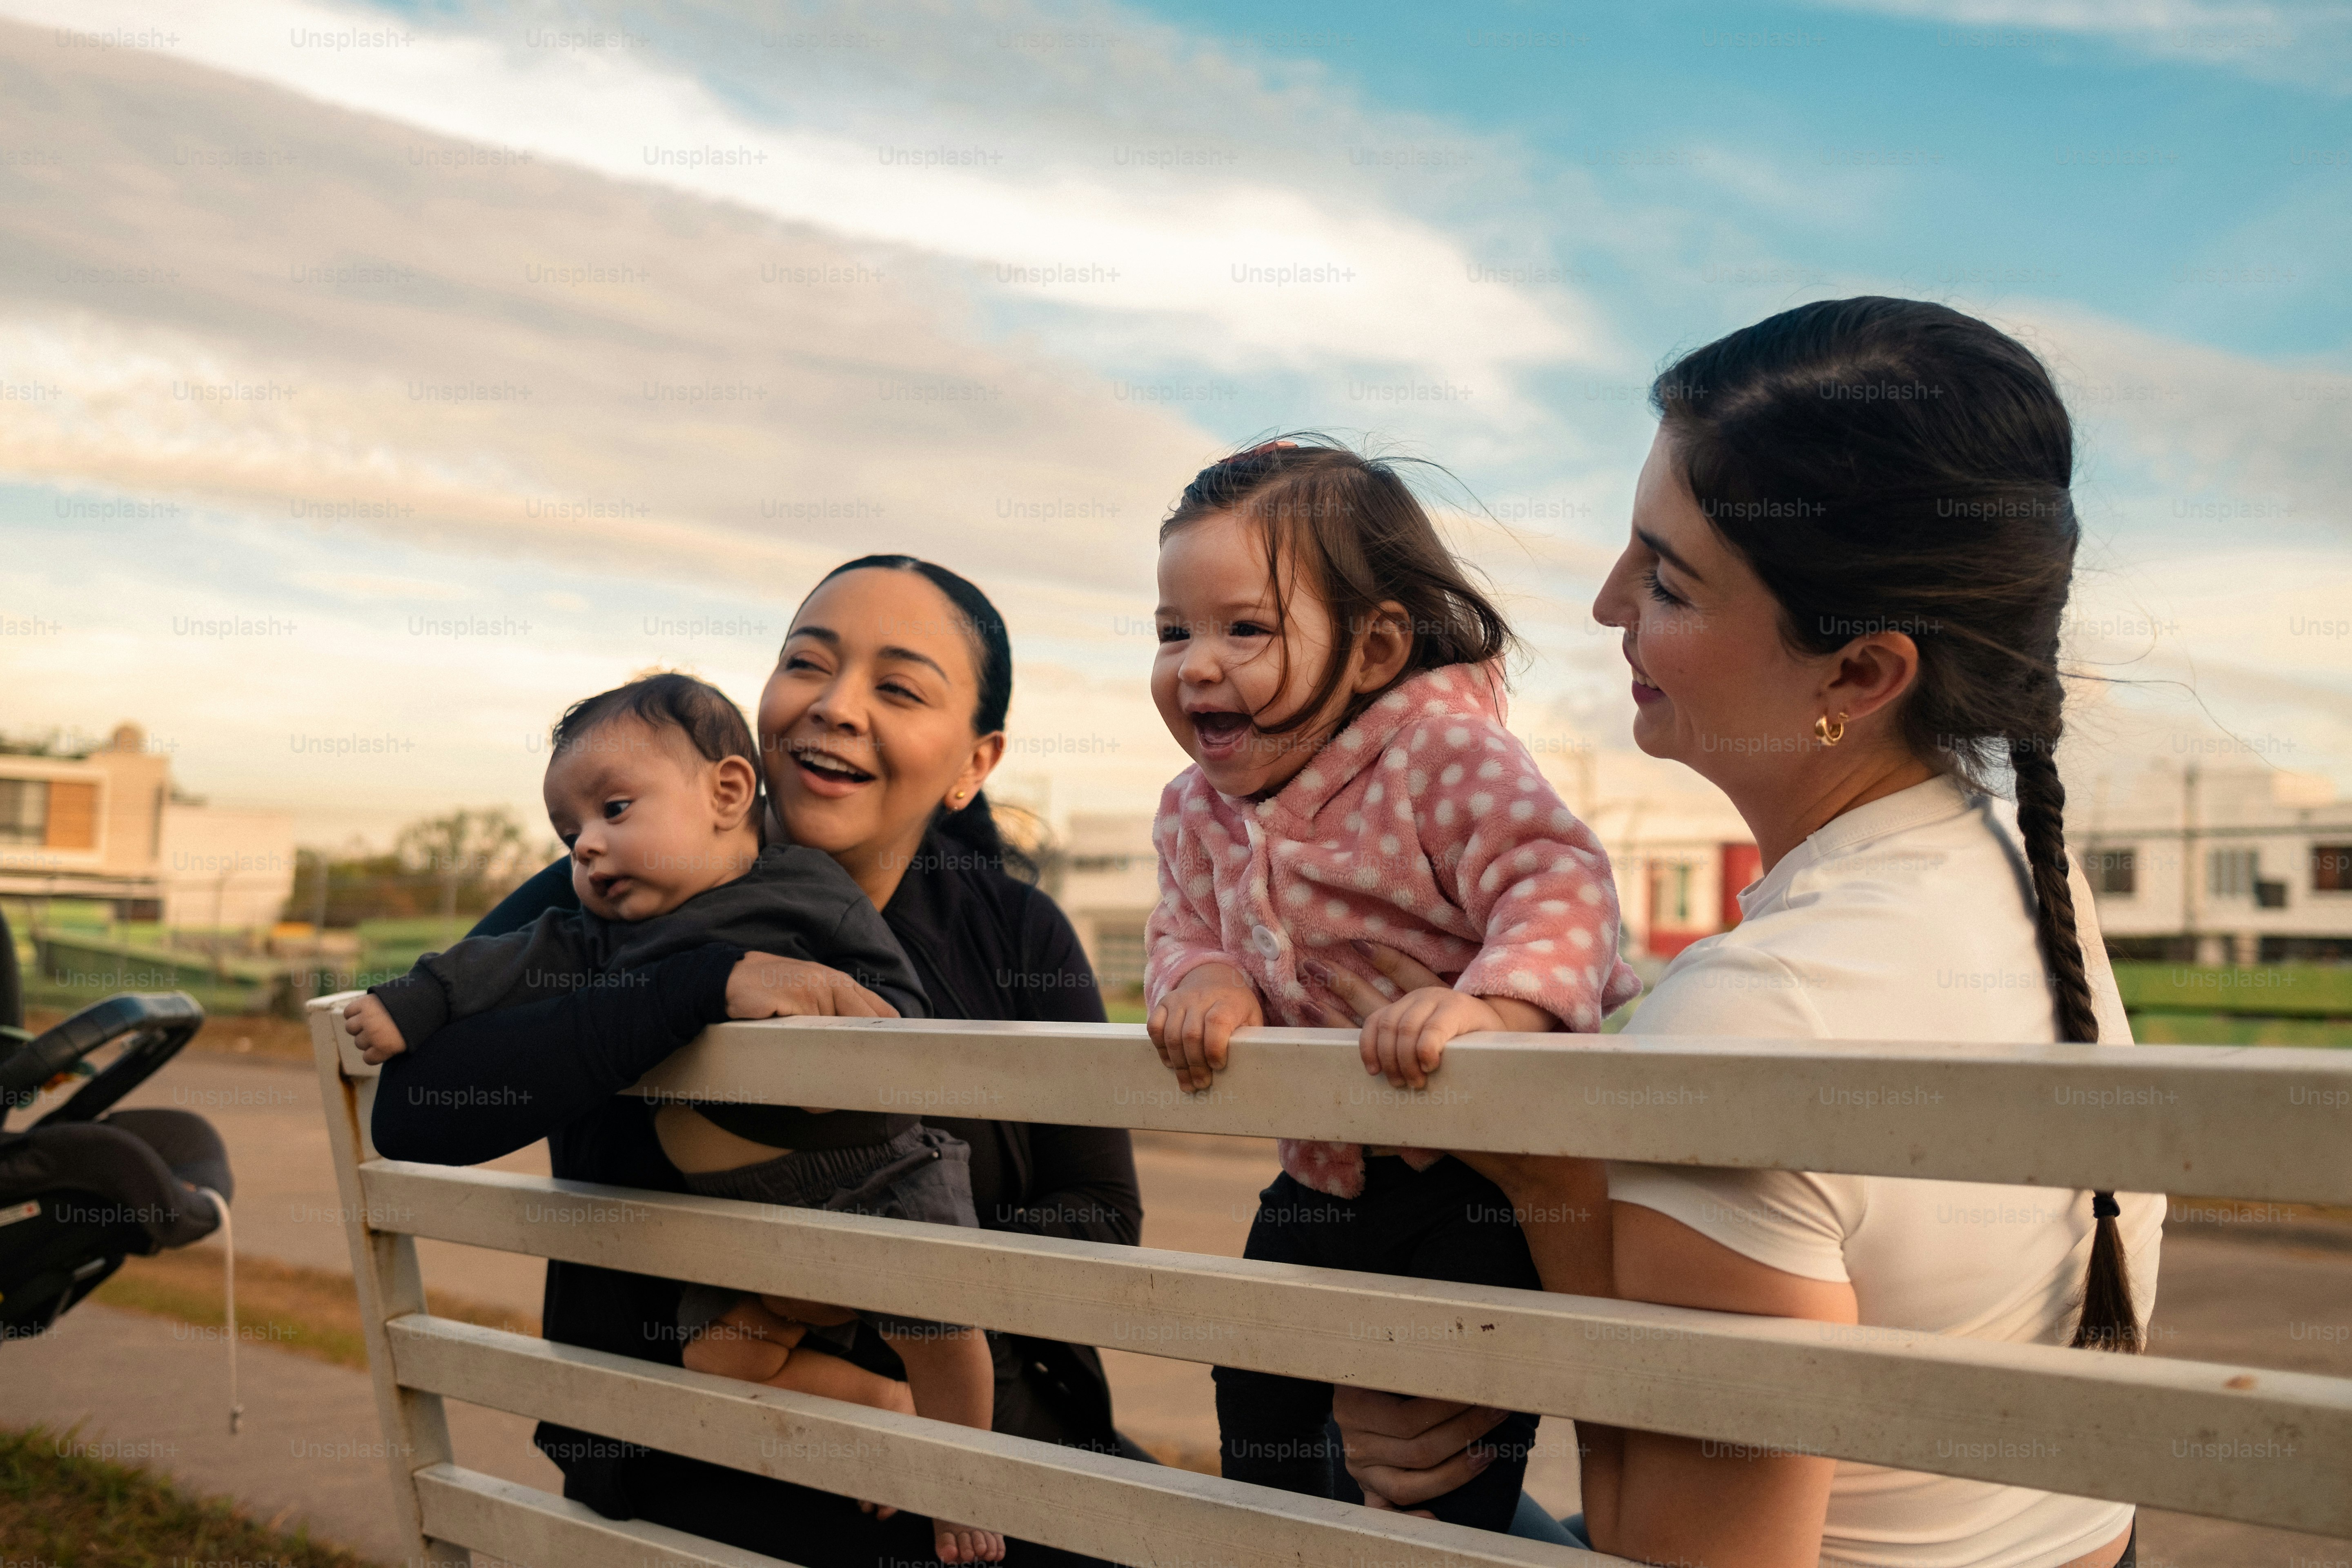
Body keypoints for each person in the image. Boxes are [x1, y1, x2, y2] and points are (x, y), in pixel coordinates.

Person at [1326, 298, 2163, 1568]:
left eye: (1667, 579)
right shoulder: (2020, 876)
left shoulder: (1758, 1014)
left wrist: (1548, 1166)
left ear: (1860, 677)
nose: (1609, 604)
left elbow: (1687, 1553)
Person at [371, 556, 1142, 1568]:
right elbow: (419, 1111)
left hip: (990, 1424)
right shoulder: (614, 883)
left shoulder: (1012, 930)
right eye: (805, 665)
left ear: (974, 762)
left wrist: (863, 1303)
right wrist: (704, 984)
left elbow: (1101, 1215)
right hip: (700, 1427)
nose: (834, 707)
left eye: (897, 687)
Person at [1141, 439, 1641, 1530]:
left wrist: (1494, 1007)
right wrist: (1210, 977)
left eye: (1245, 629)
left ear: (1373, 648)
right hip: (1326, 1175)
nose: (1196, 665)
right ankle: (1277, 1544)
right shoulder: (1194, 807)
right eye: (1173, 631)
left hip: (1480, 1181)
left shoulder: (1439, 752)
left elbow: (1562, 881)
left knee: (1451, 1432)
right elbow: (1178, 927)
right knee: (1256, 1365)